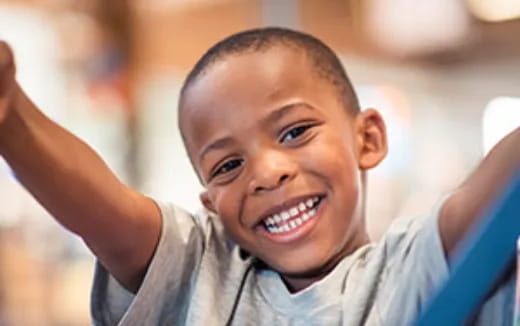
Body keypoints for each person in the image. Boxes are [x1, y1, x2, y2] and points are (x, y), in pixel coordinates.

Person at [0, 27, 518, 325]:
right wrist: (12, 117)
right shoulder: (200, 273)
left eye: (294, 132)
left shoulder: (410, 268)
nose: (267, 174)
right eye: (228, 165)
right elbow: (106, 212)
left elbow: (494, 186)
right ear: (210, 202)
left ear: (368, 139)